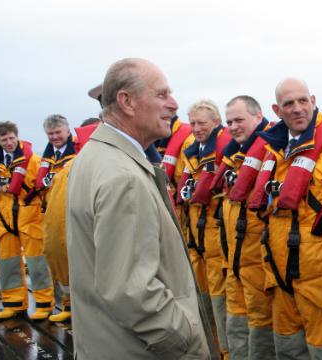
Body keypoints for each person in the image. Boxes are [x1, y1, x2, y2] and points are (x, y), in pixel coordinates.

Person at [66, 58, 215, 359]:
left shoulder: (92, 158)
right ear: (127, 102)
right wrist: (187, 339)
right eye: (161, 94)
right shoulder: (124, 176)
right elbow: (132, 291)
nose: (173, 104)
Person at [247, 78, 322, 359]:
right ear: (277, 110)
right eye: (289, 104)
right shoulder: (274, 151)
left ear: (313, 101)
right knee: (288, 351)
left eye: (302, 101)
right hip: (281, 282)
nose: (297, 109)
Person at [215, 95, 275, 359]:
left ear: (258, 117)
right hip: (234, 264)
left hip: (259, 266)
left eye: (239, 119)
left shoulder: (273, 152)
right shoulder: (235, 156)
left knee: (261, 334)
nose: (233, 126)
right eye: (229, 122)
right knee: (237, 327)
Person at [176, 99, 229, 358]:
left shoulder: (225, 151)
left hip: (216, 240)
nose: (196, 128)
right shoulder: (191, 152)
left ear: (217, 123)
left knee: (221, 303)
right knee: (201, 301)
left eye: (202, 123)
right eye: (193, 123)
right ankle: (211, 348)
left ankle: (226, 352)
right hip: (195, 240)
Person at [0, 121, 54, 320]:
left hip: (30, 217)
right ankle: (13, 303)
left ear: (17, 136)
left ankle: (44, 303)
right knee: (8, 263)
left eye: (11, 138)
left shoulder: (34, 160)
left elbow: (44, 189)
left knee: (37, 263)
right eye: (4, 140)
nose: (9, 143)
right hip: (4, 220)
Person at [33, 114, 77, 322]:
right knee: (55, 256)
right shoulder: (47, 158)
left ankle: (79, 306)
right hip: (51, 213)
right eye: (50, 134)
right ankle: (67, 305)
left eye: (58, 132)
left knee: (73, 257)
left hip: (72, 212)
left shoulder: (78, 152)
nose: (54, 137)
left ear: (68, 131)